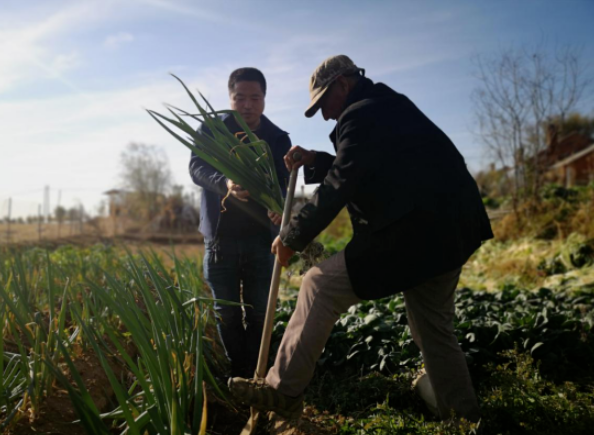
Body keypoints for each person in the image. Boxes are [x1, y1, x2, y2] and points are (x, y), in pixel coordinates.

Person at [229, 55, 493, 423]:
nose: (324, 115)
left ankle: (282, 390)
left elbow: (342, 182)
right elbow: (366, 163)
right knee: (432, 328)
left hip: (412, 235)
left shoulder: (362, 114)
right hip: (452, 233)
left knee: (319, 284)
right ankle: (463, 418)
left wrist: (293, 237)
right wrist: (316, 160)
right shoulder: (387, 106)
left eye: (324, 103)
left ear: (343, 84)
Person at [189, 67, 291, 378]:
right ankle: (240, 370)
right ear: (230, 98)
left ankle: (256, 371)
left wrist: (280, 209)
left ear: (264, 98)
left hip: (262, 238)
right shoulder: (211, 131)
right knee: (227, 312)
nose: (247, 105)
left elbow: (286, 184)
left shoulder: (276, 138)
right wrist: (226, 183)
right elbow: (196, 169)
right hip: (220, 239)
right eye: (240, 98)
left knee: (260, 311)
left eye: (255, 98)